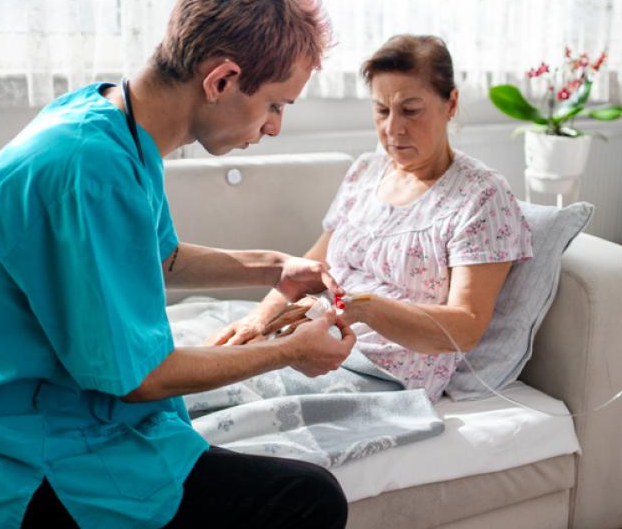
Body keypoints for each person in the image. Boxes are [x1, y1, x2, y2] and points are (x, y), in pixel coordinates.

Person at [0, 0, 354, 529]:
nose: (275, 127)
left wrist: (276, 267)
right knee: (310, 498)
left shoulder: (113, 120)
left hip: (50, 413)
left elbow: (162, 257)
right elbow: (141, 379)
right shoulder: (91, 168)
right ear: (222, 81)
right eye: (277, 105)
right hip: (29, 449)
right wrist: (290, 351)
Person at [214, 35, 534, 402]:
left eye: (411, 110)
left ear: (451, 103)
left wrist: (362, 307)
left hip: (380, 371)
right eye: (382, 110)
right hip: (310, 337)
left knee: (216, 396)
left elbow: (466, 326)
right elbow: (313, 264)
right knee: (184, 361)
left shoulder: (481, 197)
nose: (393, 129)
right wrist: (260, 319)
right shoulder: (367, 169)